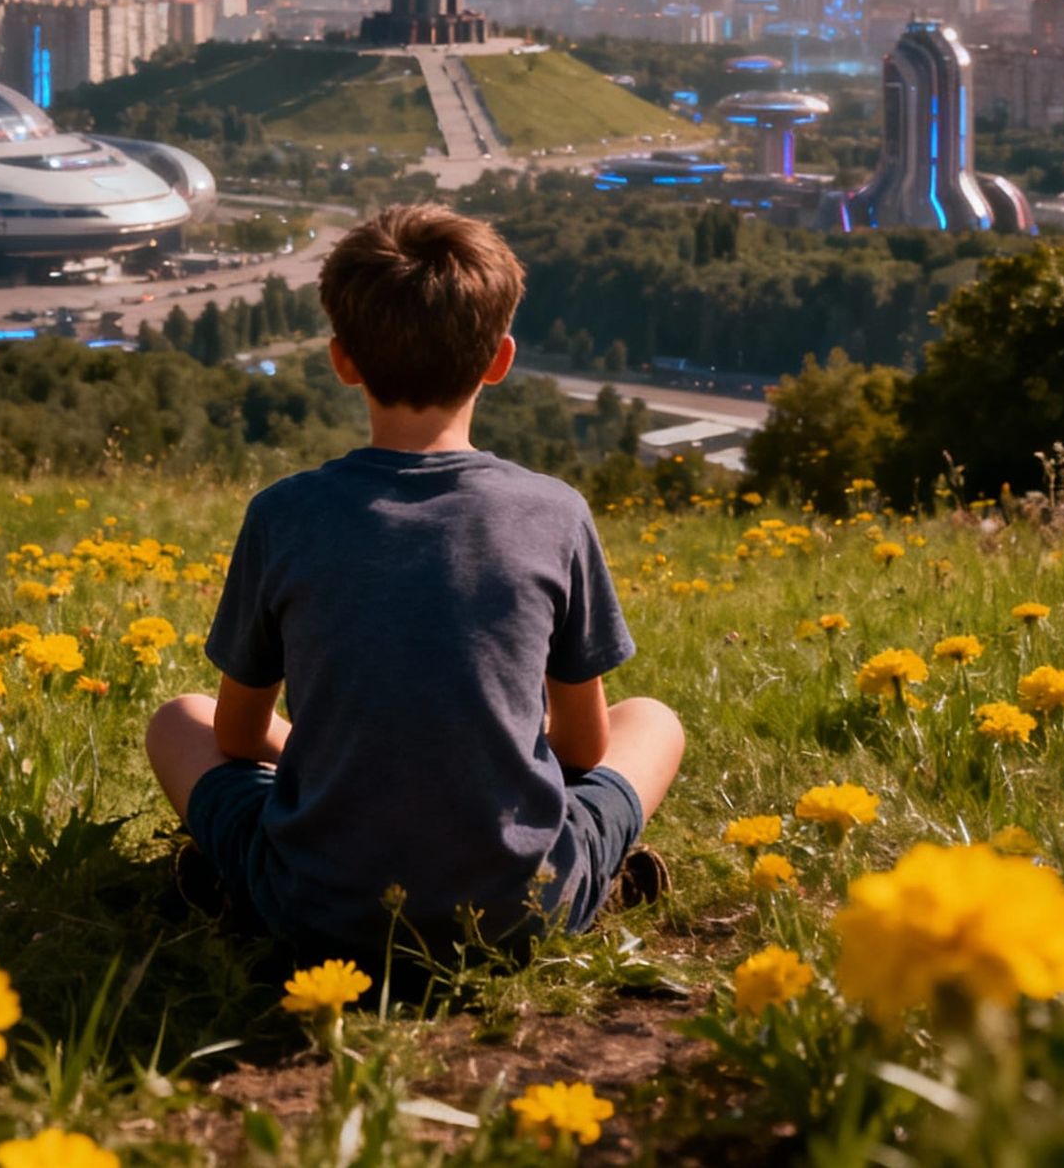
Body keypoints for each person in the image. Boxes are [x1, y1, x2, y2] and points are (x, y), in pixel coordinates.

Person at [145, 202, 684, 967]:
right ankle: (595, 881)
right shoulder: (555, 512)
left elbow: (233, 736)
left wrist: (326, 753)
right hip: (523, 909)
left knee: (178, 717)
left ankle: (234, 879)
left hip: (316, 907)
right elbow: (585, 745)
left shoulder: (285, 513)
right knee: (653, 718)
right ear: (500, 358)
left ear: (342, 359)